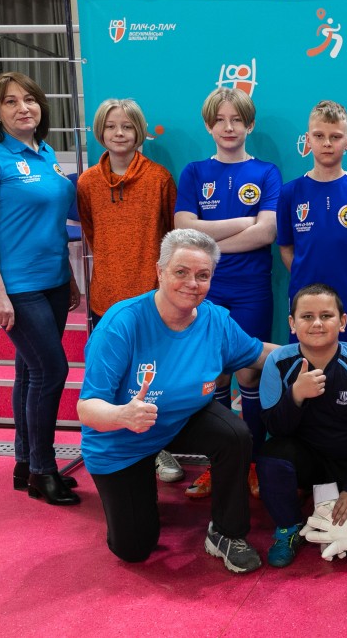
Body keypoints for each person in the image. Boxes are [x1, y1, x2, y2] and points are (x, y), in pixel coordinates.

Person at [77, 229, 278, 573]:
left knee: (235, 435)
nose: (192, 284)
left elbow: (259, 354)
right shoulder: (121, 324)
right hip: (122, 439)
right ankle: (141, 481)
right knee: (134, 549)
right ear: (160, 271)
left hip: (178, 420)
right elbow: (86, 408)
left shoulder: (215, 320)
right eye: (181, 272)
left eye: (203, 275)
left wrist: (318, 353)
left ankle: (226, 533)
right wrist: (123, 415)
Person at [0, 71, 81, 505]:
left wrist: (69, 277)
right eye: (10, 102)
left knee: (30, 371)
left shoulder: (46, 153)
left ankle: (24, 462)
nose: (23, 108)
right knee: (52, 371)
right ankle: (43, 470)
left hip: (53, 280)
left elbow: (52, 225)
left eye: (29, 99)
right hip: (15, 286)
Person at [175, 87, 281, 499]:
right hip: (206, 290)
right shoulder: (195, 172)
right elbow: (184, 228)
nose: (229, 127)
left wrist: (209, 241)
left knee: (250, 372)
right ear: (209, 126)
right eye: (220, 120)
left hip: (252, 289)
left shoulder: (266, 172)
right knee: (213, 374)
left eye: (237, 119)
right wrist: (243, 222)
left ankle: (252, 462)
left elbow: (266, 232)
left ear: (249, 124)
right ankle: (216, 464)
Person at [76, 98, 182, 484]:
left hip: (152, 298)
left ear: (139, 132)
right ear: (100, 131)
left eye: (127, 126)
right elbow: (91, 232)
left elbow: (172, 235)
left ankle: (159, 446)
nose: (119, 133)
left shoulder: (159, 179)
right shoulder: (87, 182)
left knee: (154, 379)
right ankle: (118, 445)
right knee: (112, 377)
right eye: (111, 126)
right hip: (106, 297)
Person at [256, 283, 347, 568]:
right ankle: (288, 527)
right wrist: (296, 395)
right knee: (272, 455)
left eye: (326, 316)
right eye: (307, 316)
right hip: (307, 461)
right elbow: (276, 429)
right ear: (292, 324)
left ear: (342, 322)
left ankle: (331, 501)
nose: (317, 323)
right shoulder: (278, 363)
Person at [276, 100, 347, 353]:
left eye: (335, 137)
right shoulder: (290, 193)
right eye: (319, 136)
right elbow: (286, 249)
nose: (327, 143)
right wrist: (310, 281)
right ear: (307, 139)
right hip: (305, 304)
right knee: (306, 370)